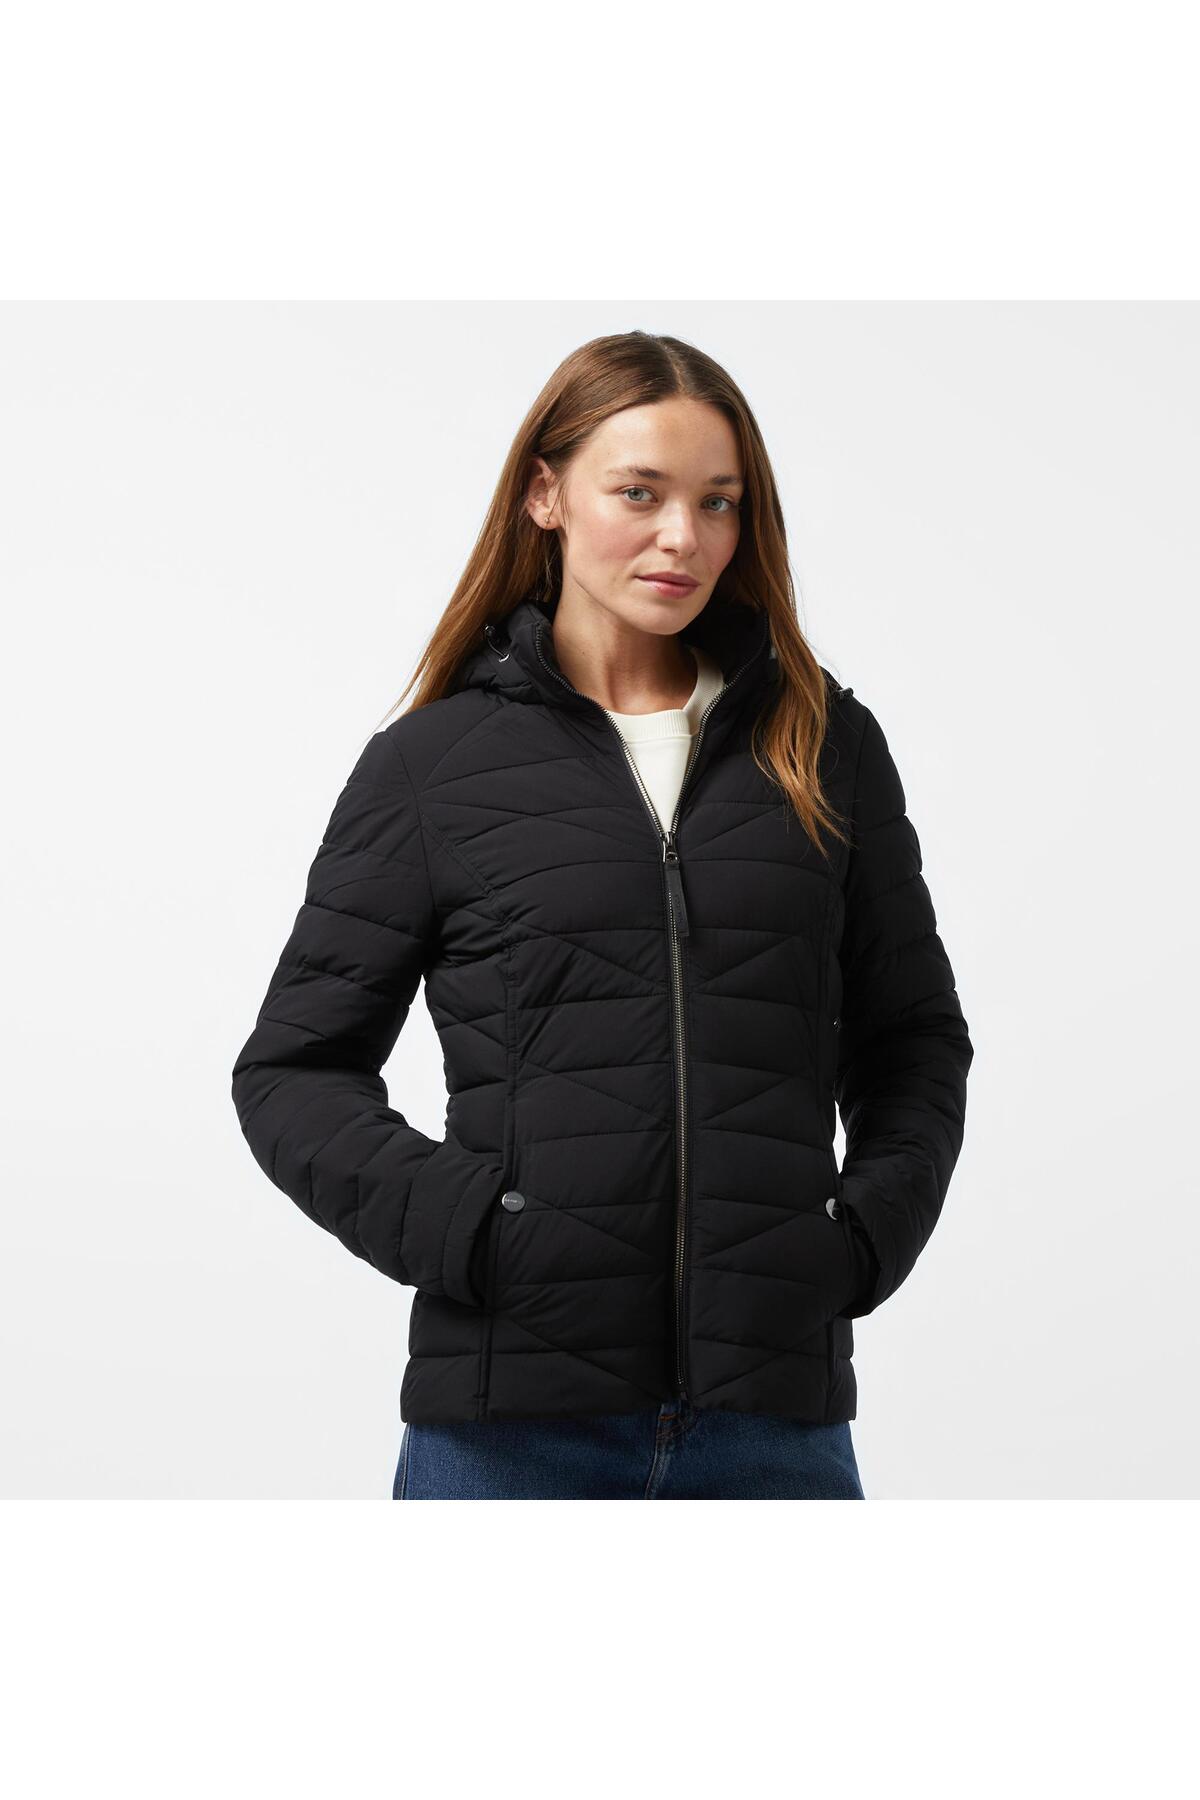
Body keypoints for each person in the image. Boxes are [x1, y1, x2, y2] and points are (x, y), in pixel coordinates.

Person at [231, 330, 974, 1500]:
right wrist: (478, 1235)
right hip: (508, 1432)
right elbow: (293, 1071)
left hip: (772, 1429)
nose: (685, 536)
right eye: (641, 493)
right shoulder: (433, 767)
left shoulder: (823, 744)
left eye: (719, 501)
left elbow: (915, 1039)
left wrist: (860, 1241)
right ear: (546, 494)